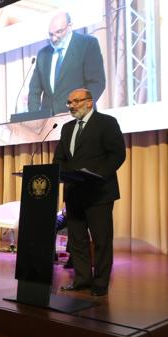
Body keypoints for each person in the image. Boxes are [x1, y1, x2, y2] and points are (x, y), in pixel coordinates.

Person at [54, 88, 126, 297]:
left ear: (89, 102)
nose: (72, 105)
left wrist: (97, 174)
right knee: (77, 241)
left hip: (99, 192)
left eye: (76, 101)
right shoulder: (67, 128)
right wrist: (61, 173)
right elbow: (60, 158)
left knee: (101, 240)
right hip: (74, 192)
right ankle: (82, 279)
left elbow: (117, 154)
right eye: (69, 102)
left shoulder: (107, 122)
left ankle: (101, 283)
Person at [27, 11, 106, 116]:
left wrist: (77, 110)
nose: (54, 38)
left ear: (69, 26)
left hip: (79, 118)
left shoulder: (87, 45)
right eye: (51, 34)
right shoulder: (43, 54)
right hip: (50, 124)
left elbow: (97, 83)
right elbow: (34, 91)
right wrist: (34, 118)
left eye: (58, 32)